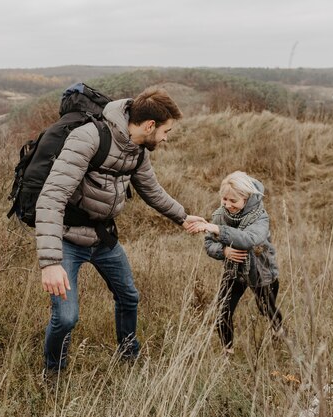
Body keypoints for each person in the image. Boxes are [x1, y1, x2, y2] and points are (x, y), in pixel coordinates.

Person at [35, 86, 204, 373]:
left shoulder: (137, 150)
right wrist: (50, 262)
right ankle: (53, 372)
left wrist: (183, 217)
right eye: (166, 131)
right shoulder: (88, 138)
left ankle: (129, 355)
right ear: (149, 125)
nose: (165, 138)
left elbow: (152, 191)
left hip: (103, 237)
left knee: (129, 297)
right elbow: (52, 196)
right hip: (67, 238)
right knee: (66, 318)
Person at [192, 171, 283, 354]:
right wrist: (223, 251)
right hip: (234, 271)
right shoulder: (220, 215)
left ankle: (278, 331)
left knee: (266, 308)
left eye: (233, 201)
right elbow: (209, 243)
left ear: (246, 198)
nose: (227, 204)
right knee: (223, 312)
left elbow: (249, 239)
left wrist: (218, 229)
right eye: (224, 199)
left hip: (260, 271)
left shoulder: (260, 217)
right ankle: (228, 353)